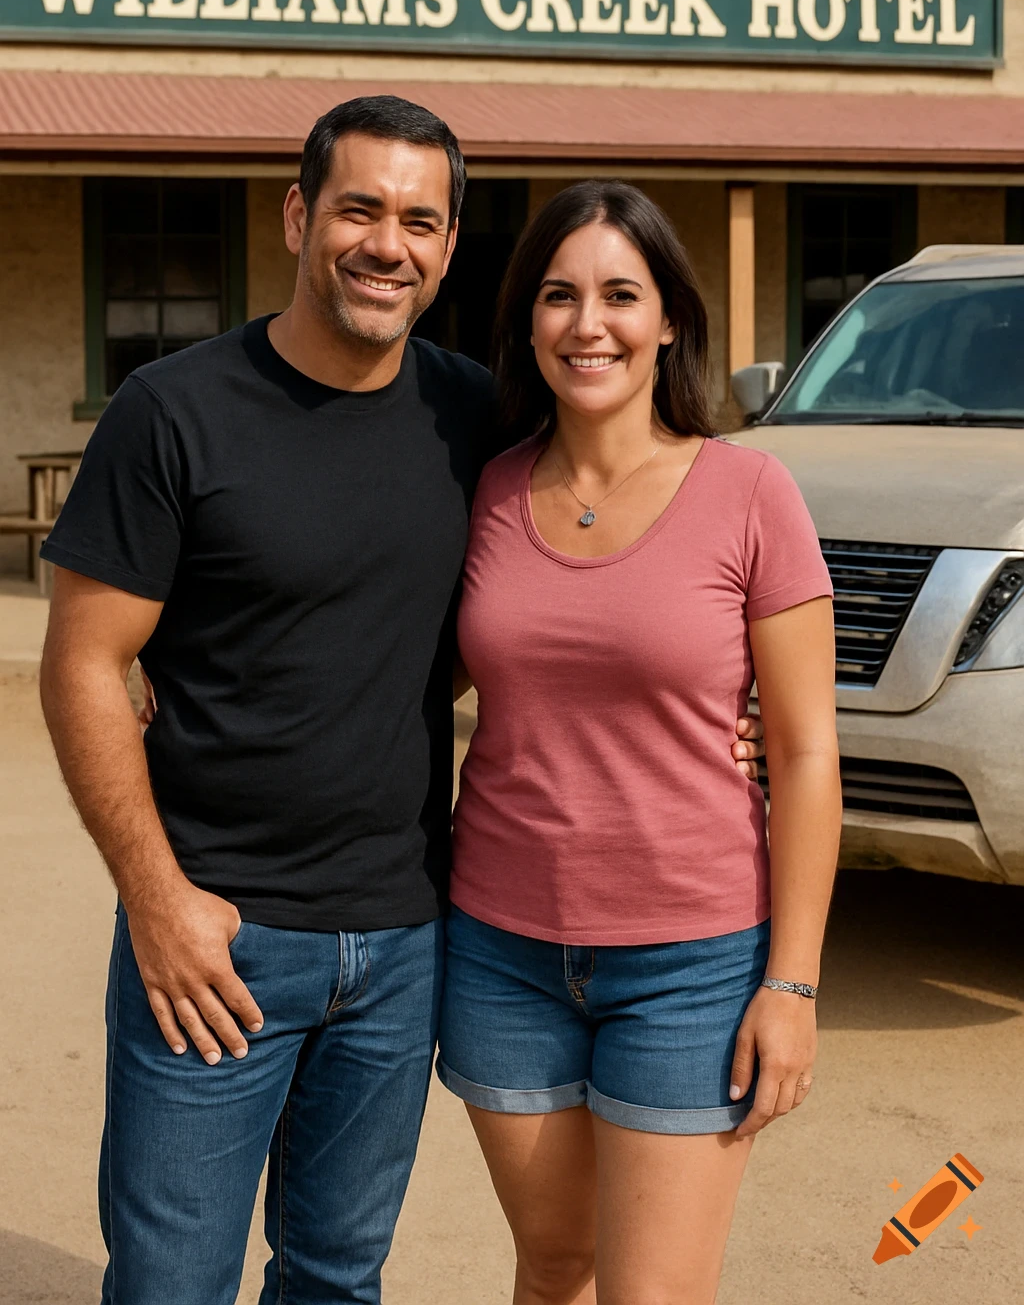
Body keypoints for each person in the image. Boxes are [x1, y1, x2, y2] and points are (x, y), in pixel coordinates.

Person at [37, 97, 764, 1305]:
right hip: (216, 937)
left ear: (449, 244)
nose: (388, 244)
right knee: (171, 1281)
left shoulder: (474, 418)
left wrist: (707, 718)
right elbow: (80, 662)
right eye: (360, 209)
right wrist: (157, 900)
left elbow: (533, 614)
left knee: (335, 1275)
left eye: (420, 221)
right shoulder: (173, 411)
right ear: (297, 215)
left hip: (406, 938)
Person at [435, 180, 842, 1305]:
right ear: (525, 321)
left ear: (669, 320)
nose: (588, 322)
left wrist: (793, 988)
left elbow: (806, 754)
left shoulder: (752, 492)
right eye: (559, 295)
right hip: (499, 951)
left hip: (692, 964)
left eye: (622, 293)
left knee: (650, 1294)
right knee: (553, 1267)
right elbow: (400, 659)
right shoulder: (487, 489)